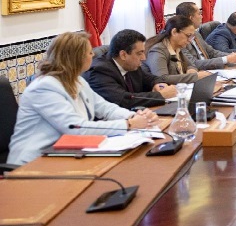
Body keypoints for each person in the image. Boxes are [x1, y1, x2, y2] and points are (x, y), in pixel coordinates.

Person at [7, 32, 159, 165]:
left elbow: (105, 108)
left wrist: (134, 116)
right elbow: (75, 127)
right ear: (75, 58)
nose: (93, 55)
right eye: (89, 52)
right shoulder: (44, 87)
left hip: (64, 154)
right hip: (33, 162)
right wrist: (128, 124)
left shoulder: (77, 81)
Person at [85, 29, 177, 109]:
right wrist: (161, 95)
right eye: (139, 53)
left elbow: (151, 78)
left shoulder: (131, 65)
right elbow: (124, 100)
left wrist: (158, 84)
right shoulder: (99, 71)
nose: (143, 58)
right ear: (123, 55)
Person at [144, 15, 212, 84]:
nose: (190, 40)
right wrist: (195, 76)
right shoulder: (157, 50)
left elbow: (191, 65)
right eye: (188, 35)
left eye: (192, 37)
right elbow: (162, 78)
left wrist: (191, 69)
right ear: (174, 32)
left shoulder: (178, 47)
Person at [176, 2, 236, 70]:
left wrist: (232, 56)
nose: (202, 16)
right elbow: (194, 63)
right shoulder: (179, 39)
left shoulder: (196, 33)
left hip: (211, 69)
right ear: (191, 18)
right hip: (198, 72)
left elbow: (211, 52)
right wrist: (226, 59)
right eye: (199, 14)